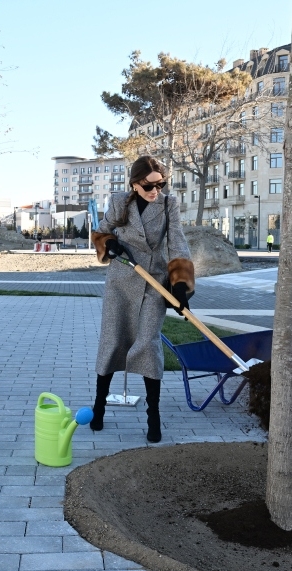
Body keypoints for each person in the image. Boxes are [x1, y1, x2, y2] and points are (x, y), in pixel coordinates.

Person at [90, 156, 194, 443]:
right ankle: (98, 408)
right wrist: (109, 243)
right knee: (113, 341)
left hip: (153, 283)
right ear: (135, 184)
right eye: (149, 186)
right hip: (121, 282)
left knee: (148, 343)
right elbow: (101, 231)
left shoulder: (168, 204)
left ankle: (153, 416)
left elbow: (177, 242)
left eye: (161, 185)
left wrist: (180, 285)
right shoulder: (119, 202)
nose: (155, 191)